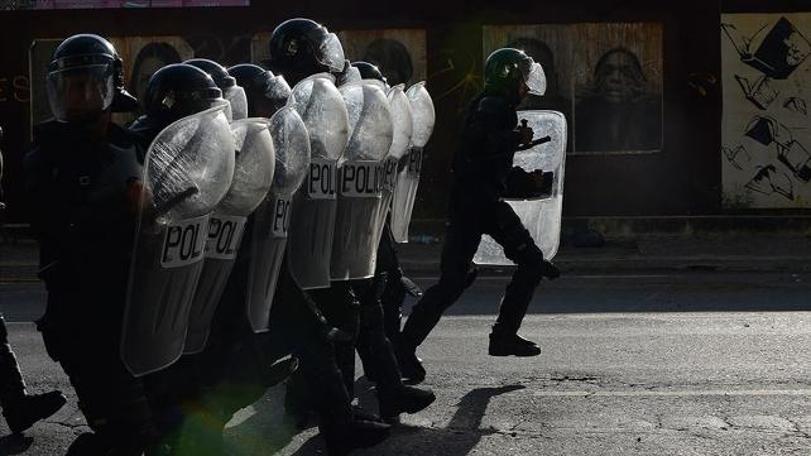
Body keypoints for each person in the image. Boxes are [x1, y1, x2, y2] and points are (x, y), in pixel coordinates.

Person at [268, 19, 435, 425]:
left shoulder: (330, 95)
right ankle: (322, 407)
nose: (332, 58)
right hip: (304, 232)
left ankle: (387, 392)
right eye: (322, 49)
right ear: (305, 53)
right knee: (330, 324)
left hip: (341, 223)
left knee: (364, 310)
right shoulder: (286, 101)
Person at [24, 33, 157, 454]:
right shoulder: (45, 157)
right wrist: (128, 210)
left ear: (109, 86)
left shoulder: (131, 146)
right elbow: (63, 226)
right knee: (123, 435)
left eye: (87, 84)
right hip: (85, 324)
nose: (78, 95)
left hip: (141, 318)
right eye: (69, 85)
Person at [396, 48, 561, 385]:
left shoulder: (491, 105)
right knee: (526, 262)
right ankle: (502, 336)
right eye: (523, 80)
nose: (526, 89)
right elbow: (477, 145)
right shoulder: (494, 107)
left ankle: (403, 347)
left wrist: (524, 180)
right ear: (510, 78)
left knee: (455, 280)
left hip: (474, 202)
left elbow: (484, 164)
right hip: (478, 205)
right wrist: (516, 138)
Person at [574, 47, 661, 152]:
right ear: (597, 80)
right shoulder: (581, 117)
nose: (616, 78)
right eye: (607, 71)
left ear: (638, 80)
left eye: (626, 73)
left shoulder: (654, 116)